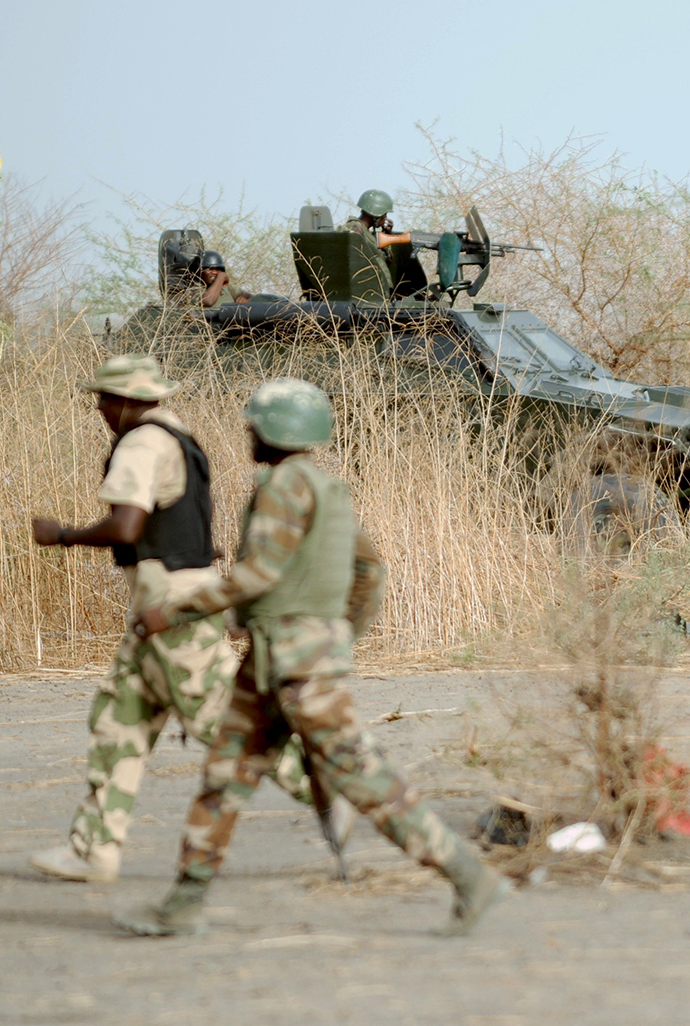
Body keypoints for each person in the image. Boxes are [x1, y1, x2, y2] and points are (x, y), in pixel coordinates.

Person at [116, 377, 505, 937]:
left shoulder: (281, 486)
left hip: (294, 669)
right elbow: (371, 572)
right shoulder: (327, 489)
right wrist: (341, 634)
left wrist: (174, 612)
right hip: (274, 662)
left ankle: (470, 877)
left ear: (275, 431)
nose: (247, 431)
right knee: (226, 775)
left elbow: (260, 574)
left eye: (254, 424)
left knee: (359, 776)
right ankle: (182, 902)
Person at [28, 354, 345, 883]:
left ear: (129, 400)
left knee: (221, 724)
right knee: (117, 720)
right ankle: (93, 850)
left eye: (105, 399)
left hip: (168, 605)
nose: (101, 409)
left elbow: (127, 527)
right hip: (170, 598)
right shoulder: (179, 436)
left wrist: (61, 535)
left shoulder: (140, 442)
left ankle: (334, 793)